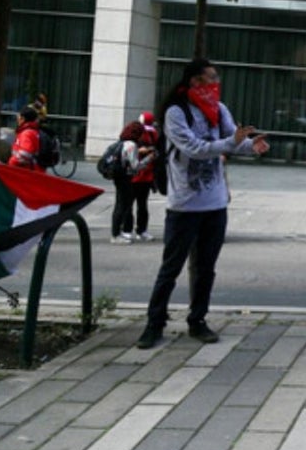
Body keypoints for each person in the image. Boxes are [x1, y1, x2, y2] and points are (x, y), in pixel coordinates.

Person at [136, 59, 269, 350]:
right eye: (211, 78)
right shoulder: (176, 112)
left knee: (205, 269)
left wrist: (252, 146)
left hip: (215, 205)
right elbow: (195, 149)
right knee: (170, 268)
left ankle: (197, 320)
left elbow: (233, 140)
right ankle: (154, 324)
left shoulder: (218, 109)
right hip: (185, 205)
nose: (215, 84)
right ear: (195, 81)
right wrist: (232, 143)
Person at [110, 118, 156, 245]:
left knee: (121, 205)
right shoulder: (132, 145)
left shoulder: (122, 143)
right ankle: (116, 234)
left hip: (119, 176)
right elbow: (135, 166)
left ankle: (118, 232)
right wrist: (148, 159)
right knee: (122, 206)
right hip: (126, 178)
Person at [130, 112, 160, 241]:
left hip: (136, 175)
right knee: (142, 205)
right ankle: (141, 230)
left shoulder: (136, 133)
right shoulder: (154, 134)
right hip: (146, 174)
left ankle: (128, 229)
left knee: (131, 205)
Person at [8, 106, 44, 170]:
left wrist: (11, 162)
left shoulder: (26, 133)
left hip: (25, 170)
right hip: (33, 169)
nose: (17, 120)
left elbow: (25, 154)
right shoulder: (33, 131)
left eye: (18, 117)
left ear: (23, 119)